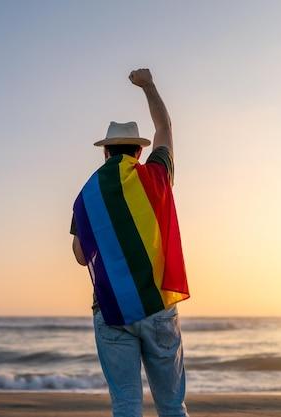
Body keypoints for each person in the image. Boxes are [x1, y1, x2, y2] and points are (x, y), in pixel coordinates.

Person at [70, 68, 190, 417]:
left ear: (106, 153)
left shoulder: (89, 194)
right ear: (138, 151)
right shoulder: (157, 176)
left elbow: (81, 256)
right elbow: (165, 128)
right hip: (157, 306)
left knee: (126, 406)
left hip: (111, 310)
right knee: (171, 406)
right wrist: (149, 86)